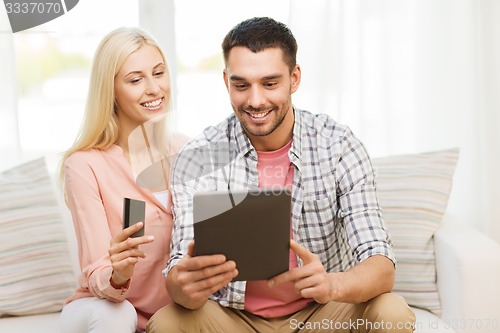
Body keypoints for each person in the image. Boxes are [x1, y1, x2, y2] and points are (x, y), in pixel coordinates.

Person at [148, 17, 416, 332]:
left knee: (392, 312)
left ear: (294, 78)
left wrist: (331, 285)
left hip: (321, 314)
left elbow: (380, 265)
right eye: (241, 84)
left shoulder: (338, 145)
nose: (256, 100)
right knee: (167, 323)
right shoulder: (200, 156)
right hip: (234, 319)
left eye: (270, 83)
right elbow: (179, 277)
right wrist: (184, 286)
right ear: (226, 82)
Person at [59, 27, 186, 333]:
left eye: (159, 73)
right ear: (111, 90)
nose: (154, 88)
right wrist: (118, 273)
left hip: (170, 313)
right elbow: (96, 271)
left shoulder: (186, 150)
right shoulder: (85, 164)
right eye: (135, 79)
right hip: (102, 306)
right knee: (118, 313)